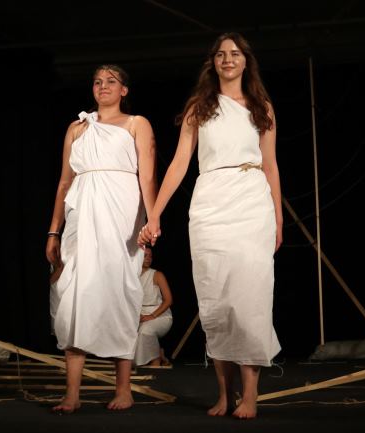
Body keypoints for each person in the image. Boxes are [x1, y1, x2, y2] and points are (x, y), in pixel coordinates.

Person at [138, 32, 282, 419]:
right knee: (216, 299)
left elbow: (270, 165)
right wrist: (155, 214)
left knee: (249, 299)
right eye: (220, 54)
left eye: (234, 53)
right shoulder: (200, 107)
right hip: (211, 202)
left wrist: (278, 217)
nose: (227, 59)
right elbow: (179, 163)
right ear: (213, 63)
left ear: (246, 61)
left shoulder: (261, 107)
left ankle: (249, 395)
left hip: (251, 201)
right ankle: (223, 394)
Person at [46, 64, 157, 413]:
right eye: (97, 81)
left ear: (124, 89)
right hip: (82, 214)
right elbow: (64, 182)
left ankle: (123, 389)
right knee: (75, 295)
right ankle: (72, 393)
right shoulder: (77, 128)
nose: (103, 86)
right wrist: (53, 230)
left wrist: (153, 220)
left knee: (119, 291)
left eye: (111, 81)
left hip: (121, 213)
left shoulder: (136, 123)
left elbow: (147, 176)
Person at [134, 246, 173, 367]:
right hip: (140, 315)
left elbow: (168, 300)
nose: (148, 259)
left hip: (160, 315)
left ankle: (156, 360)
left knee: (145, 331)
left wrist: (152, 315)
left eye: (150, 256)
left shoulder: (157, 275)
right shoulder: (132, 276)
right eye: (145, 256)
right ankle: (159, 354)